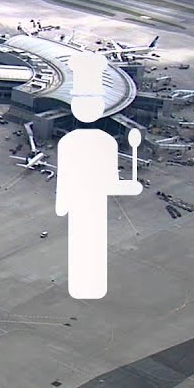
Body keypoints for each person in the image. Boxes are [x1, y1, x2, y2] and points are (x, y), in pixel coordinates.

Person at [55, 52, 142, 299]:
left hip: (86, 205)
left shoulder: (73, 141)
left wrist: (63, 204)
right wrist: (129, 186)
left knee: (85, 245)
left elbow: (65, 180)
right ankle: (87, 284)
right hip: (91, 206)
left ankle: (85, 284)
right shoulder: (103, 142)